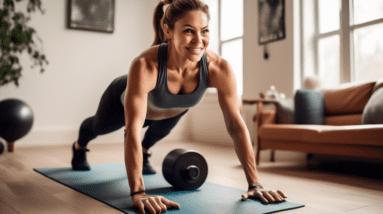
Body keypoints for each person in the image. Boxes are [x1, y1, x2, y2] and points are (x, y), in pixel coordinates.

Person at [71, 0, 287, 213]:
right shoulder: (146, 65)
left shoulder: (218, 68)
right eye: (188, 31)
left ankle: (146, 152)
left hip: (170, 110)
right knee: (97, 126)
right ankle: (79, 147)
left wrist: (255, 184)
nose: (198, 40)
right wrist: (138, 193)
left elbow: (236, 126)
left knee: (160, 132)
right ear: (168, 30)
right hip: (121, 101)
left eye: (204, 31)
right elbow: (132, 132)